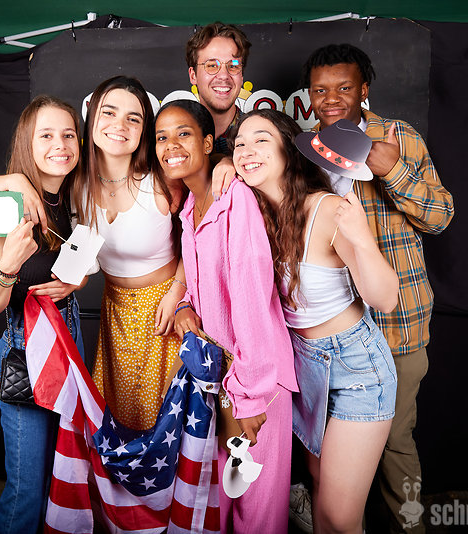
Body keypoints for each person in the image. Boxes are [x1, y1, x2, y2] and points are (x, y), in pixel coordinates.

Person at [302, 44, 455, 533]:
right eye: (320, 90)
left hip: (395, 325)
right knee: (331, 453)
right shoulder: (307, 151)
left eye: (344, 88)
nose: (330, 99)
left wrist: (393, 171)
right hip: (332, 333)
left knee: (393, 444)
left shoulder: (398, 137)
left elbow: (440, 217)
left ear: (364, 89)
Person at [233, 109, 399, 534]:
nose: (247, 151)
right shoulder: (254, 213)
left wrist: (361, 239)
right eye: (239, 144)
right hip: (305, 366)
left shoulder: (326, 209)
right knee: (321, 491)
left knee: (338, 517)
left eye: (261, 140)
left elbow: (386, 298)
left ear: (289, 152)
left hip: (357, 368)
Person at [158, 100, 296, 534]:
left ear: (207, 143)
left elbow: (253, 299)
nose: (171, 145)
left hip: (257, 383)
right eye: (162, 137)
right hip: (221, 383)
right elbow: (201, 285)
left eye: (183, 134)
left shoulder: (236, 199)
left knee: (258, 516)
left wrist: (250, 397)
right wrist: (184, 306)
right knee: (223, 505)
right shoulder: (188, 209)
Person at [0, 95, 86, 534]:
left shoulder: (73, 195)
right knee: (27, 489)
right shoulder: (7, 204)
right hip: (25, 352)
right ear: (27, 142)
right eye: (46, 135)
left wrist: (76, 280)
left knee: (66, 474)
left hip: (69, 339)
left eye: (68, 135)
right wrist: (8, 266)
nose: (60, 145)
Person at [74, 76, 186, 431]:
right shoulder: (75, 183)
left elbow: (200, 241)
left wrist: (178, 292)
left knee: (168, 425)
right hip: (115, 313)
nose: (119, 125)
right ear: (92, 117)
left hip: (166, 310)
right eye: (109, 112)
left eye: (133, 118)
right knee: (120, 422)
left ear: (144, 130)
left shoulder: (164, 179)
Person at [186, 22, 251, 155]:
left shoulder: (260, 135)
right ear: (193, 76)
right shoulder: (176, 139)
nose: (223, 76)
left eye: (233, 66)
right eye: (212, 66)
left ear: (242, 76)